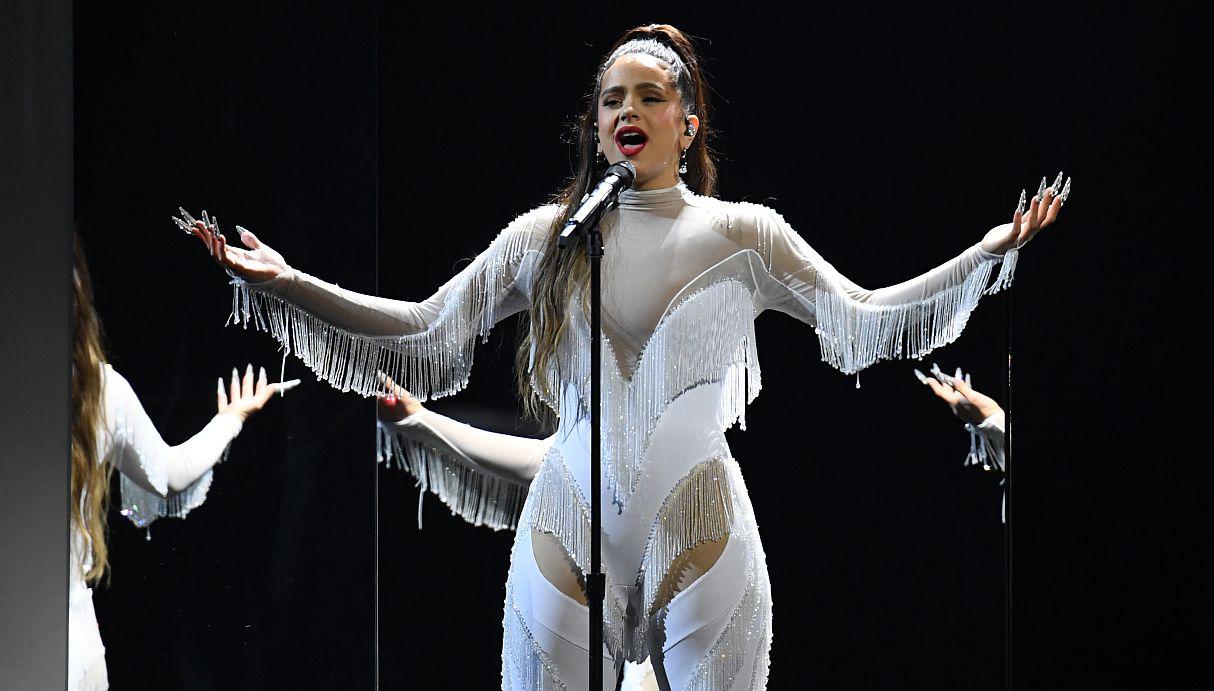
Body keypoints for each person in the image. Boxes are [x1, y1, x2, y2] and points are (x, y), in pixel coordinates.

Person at [182, 24, 1067, 690]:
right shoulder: (547, 238)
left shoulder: (743, 234)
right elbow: (423, 327)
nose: (627, 112)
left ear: (688, 123)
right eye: (611, 99)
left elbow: (863, 315)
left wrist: (986, 255)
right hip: (566, 524)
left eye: (648, 97)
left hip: (702, 526)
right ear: (593, 123)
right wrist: (287, 282)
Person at [69, 233, 297, 690]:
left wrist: (230, 419)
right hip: (72, 649)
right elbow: (169, 475)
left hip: (71, 646)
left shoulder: (101, 392)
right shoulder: (101, 390)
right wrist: (230, 420)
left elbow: (168, 474)